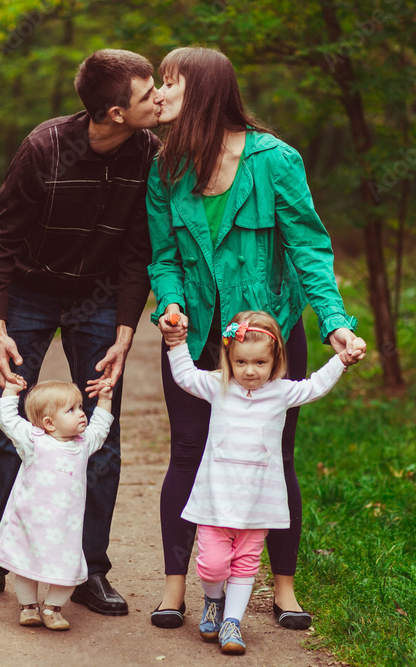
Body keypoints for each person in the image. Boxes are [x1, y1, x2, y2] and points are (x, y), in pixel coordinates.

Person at [146, 46, 367, 630]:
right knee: (189, 456)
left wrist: (336, 322)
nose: (158, 94)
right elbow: (164, 257)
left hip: (268, 338)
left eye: (169, 83)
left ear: (205, 91)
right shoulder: (166, 167)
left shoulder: (276, 160)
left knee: (279, 456)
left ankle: (285, 589)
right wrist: (169, 303)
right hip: (192, 337)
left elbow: (310, 248)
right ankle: (176, 589)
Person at [0, 49, 161, 617]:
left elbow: (140, 249)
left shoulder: (151, 154)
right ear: (115, 112)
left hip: (98, 297)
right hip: (29, 293)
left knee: (99, 436)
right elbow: (0, 240)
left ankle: (90, 569)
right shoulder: (44, 147)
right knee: (5, 424)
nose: (160, 98)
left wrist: (123, 330)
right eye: (148, 93)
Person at [163, 311, 362, 653]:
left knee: (245, 565)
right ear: (228, 358)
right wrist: (176, 342)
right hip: (216, 500)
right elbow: (183, 376)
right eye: (240, 361)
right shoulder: (218, 387)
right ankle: (214, 600)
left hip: (259, 501)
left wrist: (341, 359)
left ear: (275, 361)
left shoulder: (281, 393)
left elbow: (315, 385)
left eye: (259, 362)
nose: (250, 370)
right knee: (212, 566)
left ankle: (232, 623)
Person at [0, 377, 115, 631]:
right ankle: (28, 607)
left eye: (80, 407)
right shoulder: (34, 441)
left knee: (69, 570)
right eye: (71, 410)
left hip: (65, 528)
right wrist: (10, 393)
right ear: (48, 423)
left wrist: (104, 400)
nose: (81, 414)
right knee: (25, 565)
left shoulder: (83, 444)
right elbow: (9, 422)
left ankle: (52, 608)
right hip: (31, 522)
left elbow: (100, 428)